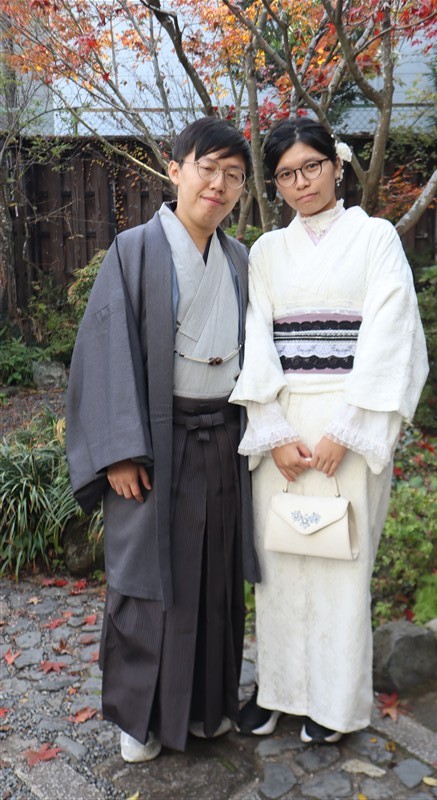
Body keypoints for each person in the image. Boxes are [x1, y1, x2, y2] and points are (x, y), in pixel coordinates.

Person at [66, 117, 260, 762]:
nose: (219, 184)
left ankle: (206, 708)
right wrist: (119, 450)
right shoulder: (134, 250)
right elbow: (103, 348)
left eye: (234, 175)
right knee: (147, 578)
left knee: (213, 574)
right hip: (154, 443)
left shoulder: (239, 259)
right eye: (208, 168)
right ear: (175, 170)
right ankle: (140, 719)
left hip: (222, 438)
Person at [230, 118, 428, 744]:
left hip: (350, 421)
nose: (301, 182)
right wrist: (271, 430)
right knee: (281, 562)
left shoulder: (375, 238)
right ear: (276, 183)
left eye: (311, 166)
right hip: (285, 425)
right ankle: (278, 691)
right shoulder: (266, 252)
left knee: (342, 565)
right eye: (286, 174)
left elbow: (392, 334)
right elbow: (255, 340)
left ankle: (335, 705)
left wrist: (348, 429)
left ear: (336, 166)